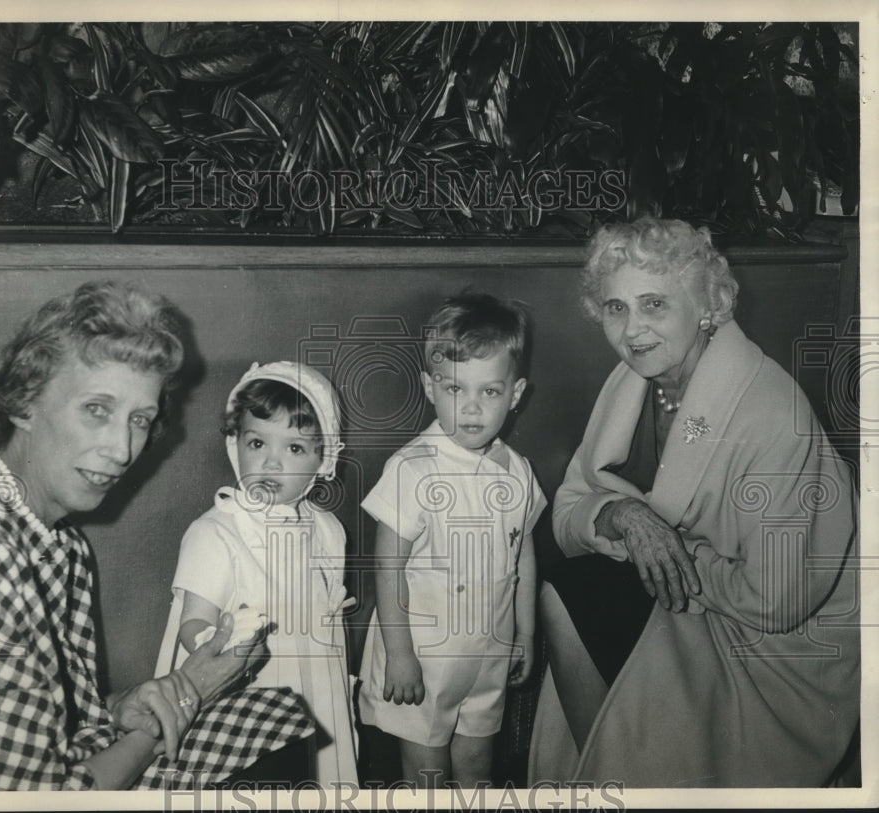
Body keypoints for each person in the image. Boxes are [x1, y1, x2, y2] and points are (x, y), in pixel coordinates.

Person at [0, 282, 313, 791]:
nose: (122, 449)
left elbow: (53, 711)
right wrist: (188, 695)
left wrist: (122, 705)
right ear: (23, 403)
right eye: (97, 409)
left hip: (59, 766)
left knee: (276, 715)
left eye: (139, 419)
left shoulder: (58, 540)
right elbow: (41, 802)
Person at [528, 217, 860, 787]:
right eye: (616, 308)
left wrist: (666, 550)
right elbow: (570, 507)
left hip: (777, 654)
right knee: (564, 592)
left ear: (706, 305)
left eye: (653, 304)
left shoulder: (772, 411)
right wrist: (623, 515)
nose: (632, 330)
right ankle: (615, 783)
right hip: (698, 603)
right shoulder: (635, 379)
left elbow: (778, 602)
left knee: (576, 596)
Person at [357, 291, 546, 788]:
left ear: (516, 393)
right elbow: (388, 566)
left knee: (477, 768)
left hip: (487, 653)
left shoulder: (517, 470)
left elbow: (522, 553)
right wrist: (399, 654)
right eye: (455, 388)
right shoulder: (413, 468)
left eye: (490, 392)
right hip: (423, 657)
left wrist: (525, 633)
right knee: (428, 774)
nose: (471, 408)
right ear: (429, 385)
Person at [155, 361, 358, 786]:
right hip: (244, 692)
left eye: (295, 449)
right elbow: (194, 621)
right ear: (235, 445)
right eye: (257, 443)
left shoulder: (328, 530)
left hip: (312, 686)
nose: (271, 463)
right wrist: (217, 644)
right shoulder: (216, 532)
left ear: (325, 458)